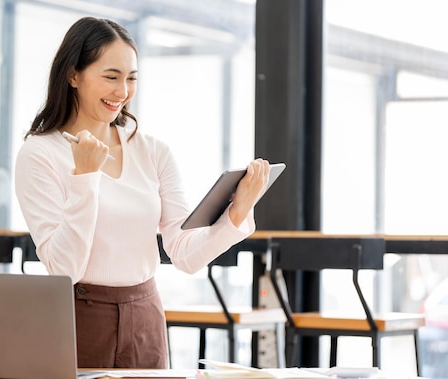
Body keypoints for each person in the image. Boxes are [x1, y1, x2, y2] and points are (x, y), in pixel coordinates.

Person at [14, 16, 270, 369]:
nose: (123, 92)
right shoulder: (40, 153)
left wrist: (236, 214)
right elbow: (64, 269)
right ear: (73, 75)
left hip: (145, 313)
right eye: (111, 76)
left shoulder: (152, 151)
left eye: (131, 78)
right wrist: (85, 177)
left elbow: (185, 254)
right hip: (77, 317)